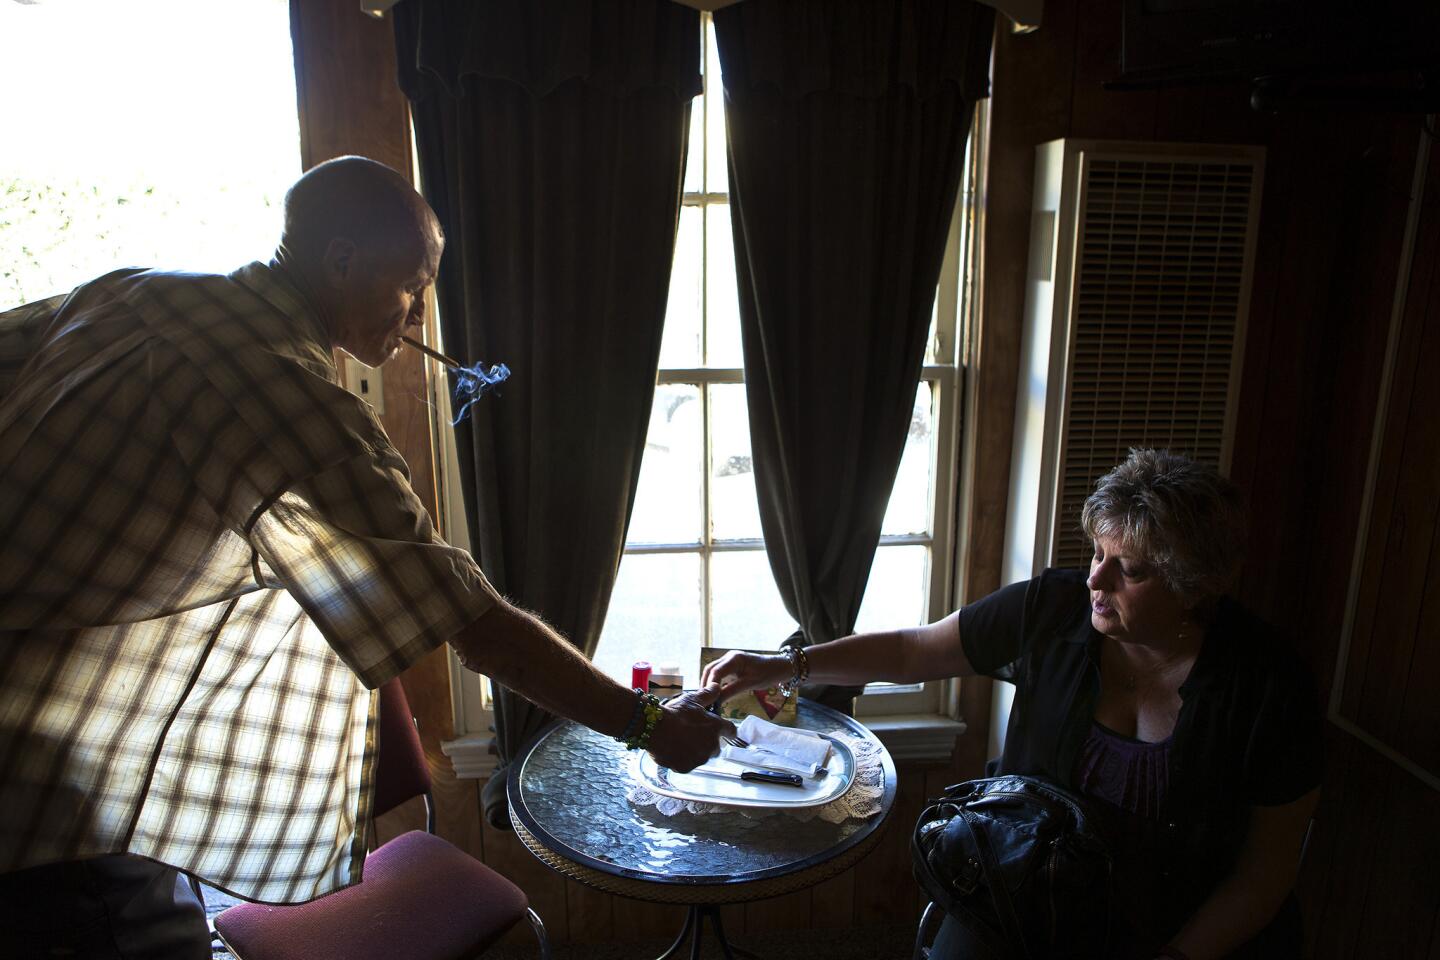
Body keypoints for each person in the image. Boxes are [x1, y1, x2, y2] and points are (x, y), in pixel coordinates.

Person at [0, 155, 733, 959]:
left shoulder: (139, 290)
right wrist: (649, 723)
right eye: (410, 286)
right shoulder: (282, 392)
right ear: (341, 260)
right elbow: (470, 621)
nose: (417, 316)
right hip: (49, 790)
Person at [702, 449, 1322, 960]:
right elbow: (916, 652)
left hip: (1179, 922)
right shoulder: (1054, 610)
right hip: (1025, 885)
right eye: (1098, 554)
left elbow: (1266, 872)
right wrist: (786, 665)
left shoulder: (1268, 685)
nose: (1095, 581)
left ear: (1191, 584)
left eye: (1128, 570)